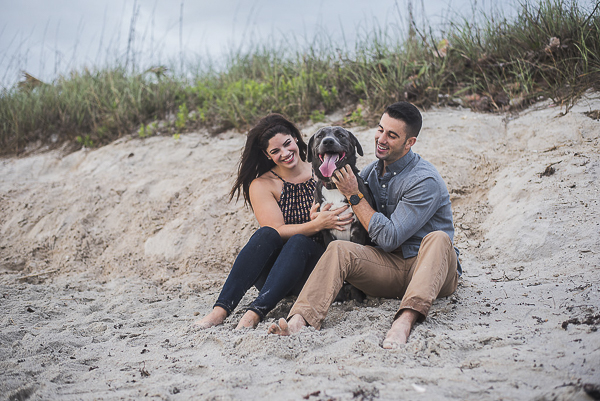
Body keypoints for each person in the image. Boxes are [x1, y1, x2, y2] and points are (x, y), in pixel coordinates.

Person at [268, 101, 462, 347]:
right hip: (390, 268)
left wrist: (353, 194)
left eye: (392, 135)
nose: (381, 139)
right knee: (337, 248)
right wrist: (319, 218)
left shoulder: (424, 180)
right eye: (380, 129)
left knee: (438, 238)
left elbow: (390, 237)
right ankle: (299, 320)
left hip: (431, 270)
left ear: (409, 142)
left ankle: (405, 320)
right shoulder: (370, 173)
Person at [195, 114, 353, 329]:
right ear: (266, 155)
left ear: (296, 139)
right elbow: (277, 230)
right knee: (265, 234)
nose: (285, 154)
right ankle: (219, 311)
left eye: (288, 144)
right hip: (274, 276)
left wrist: (323, 218)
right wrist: (316, 224)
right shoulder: (263, 184)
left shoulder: (322, 170)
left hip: (314, 268)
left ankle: (254, 313)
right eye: (275, 151)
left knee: (299, 241)